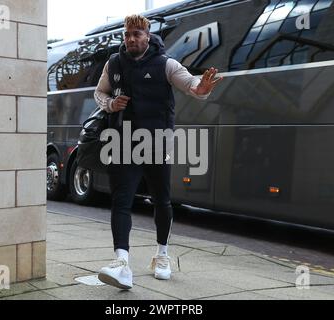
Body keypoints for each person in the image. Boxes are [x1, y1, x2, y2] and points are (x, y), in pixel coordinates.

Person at [94, 14, 223, 290]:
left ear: (148, 36)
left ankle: (162, 255)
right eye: (127, 34)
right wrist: (109, 104)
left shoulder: (166, 64)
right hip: (123, 142)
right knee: (121, 201)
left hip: (157, 144)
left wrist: (202, 88)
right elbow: (99, 93)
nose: (131, 39)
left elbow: (192, 85)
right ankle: (121, 264)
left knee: (161, 201)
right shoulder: (113, 63)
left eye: (137, 34)